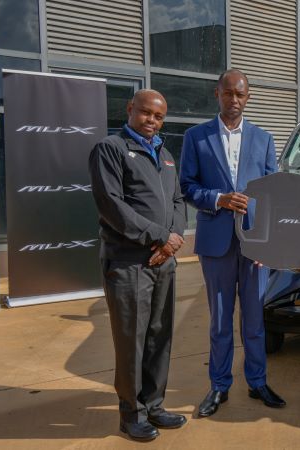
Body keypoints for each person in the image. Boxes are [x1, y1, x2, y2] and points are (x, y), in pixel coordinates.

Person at [179, 69, 282, 417]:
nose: (233, 100)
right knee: (220, 320)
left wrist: (266, 245)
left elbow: (272, 197)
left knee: (254, 320)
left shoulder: (264, 139)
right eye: (228, 93)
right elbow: (187, 187)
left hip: (254, 244)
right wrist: (219, 198)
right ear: (217, 94)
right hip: (216, 242)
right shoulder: (196, 137)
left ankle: (257, 382)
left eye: (240, 94)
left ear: (247, 97)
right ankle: (219, 386)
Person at [88, 89, 187, 441]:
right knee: (132, 340)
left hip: (164, 261)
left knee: (160, 336)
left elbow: (177, 200)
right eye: (146, 113)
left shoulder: (165, 153)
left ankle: (155, 405)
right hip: (129, 262)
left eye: (158, 117)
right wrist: (160, 236)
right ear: (131, 109)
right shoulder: (110, 150)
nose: (152, 121)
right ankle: (131, 414)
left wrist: (173, 238)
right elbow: (111, 206)